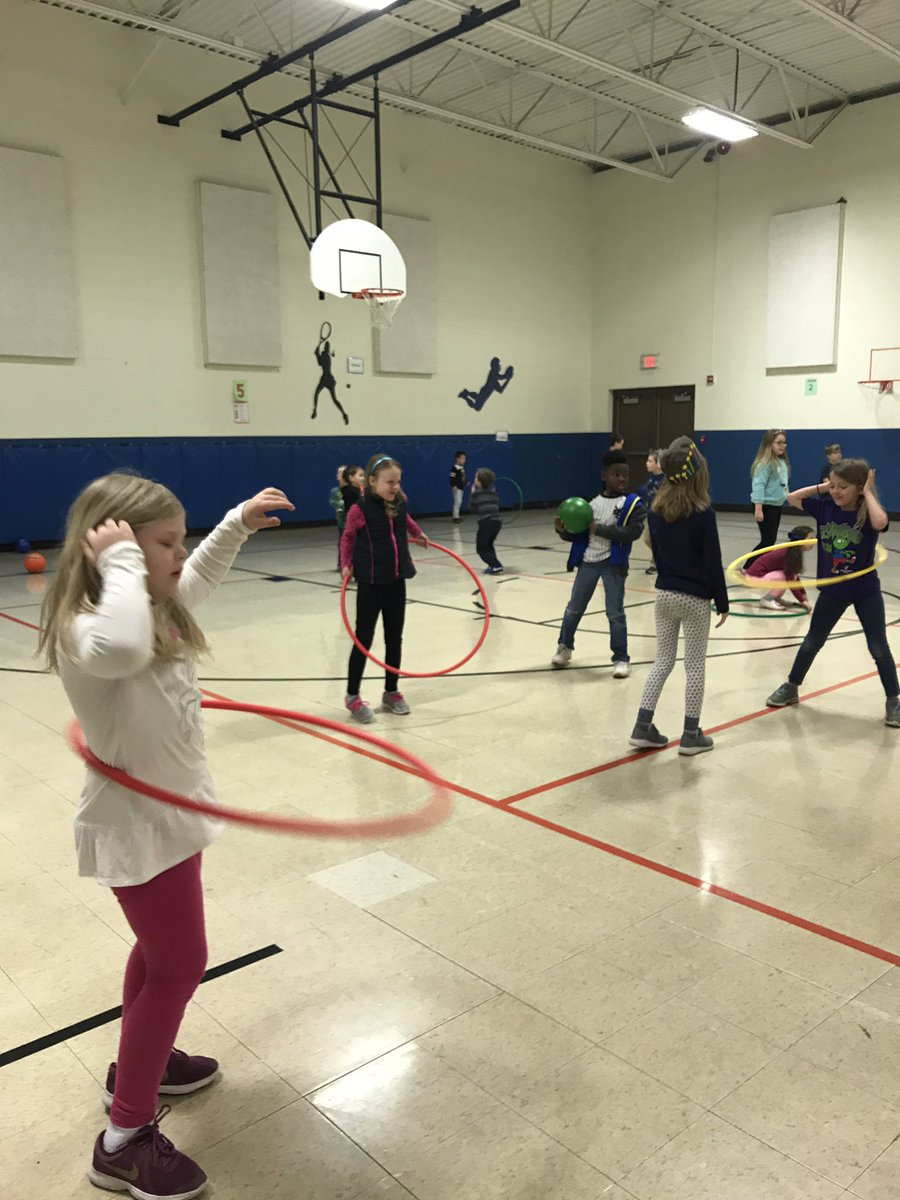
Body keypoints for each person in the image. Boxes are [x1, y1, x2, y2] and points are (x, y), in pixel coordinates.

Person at [38, 472, 294, 1200]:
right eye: (166, 543)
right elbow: (122, 652)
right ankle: (123, 1142)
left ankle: (139, 1065)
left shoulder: (153, 607)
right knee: (181, 965)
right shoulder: (90, 628)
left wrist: (236, 523)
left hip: (171, 818)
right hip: (136, 825)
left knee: (159, 956)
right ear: (111, 552)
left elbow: (198, 576)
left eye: (181, 540)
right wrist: (121, 560)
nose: (181, 554)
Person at [766, 460, 900, 725]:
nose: (836, 491)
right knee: (812, 641)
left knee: (878, 646)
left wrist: (868, 493)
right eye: (833, 486)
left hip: (865, 590)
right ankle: (791, 686)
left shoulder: (866, 513)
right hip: (832, 590)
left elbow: (881, 521)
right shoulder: (825, 507)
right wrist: (824, 487)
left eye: (843, 487)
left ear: (859, 488)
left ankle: (894, 700)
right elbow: (792, 498)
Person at [629, 437, 729, 756]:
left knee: (663, 660)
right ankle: (690, 734)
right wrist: (722, 602)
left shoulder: (656, 512)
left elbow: (657, 555)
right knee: (695, 666)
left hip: (664, 594)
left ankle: (642, 726)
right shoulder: (703, 513)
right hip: (695, 598)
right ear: (698, 475)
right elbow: (712, 561)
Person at [341, 453, 428, 722]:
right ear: (372, 481)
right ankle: (352, 696)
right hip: (371, 582)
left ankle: (391, 691)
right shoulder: (360, 509)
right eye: (389, 482)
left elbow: (406, 520)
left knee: (394, 638)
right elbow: (348, 537)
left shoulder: (399, 502)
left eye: (397, 481)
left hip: (396, 579)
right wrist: (346, 563)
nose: (395, 486)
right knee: (363, 639)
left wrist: (417, 533)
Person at [551, 450, 645, 677]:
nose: (621, 479)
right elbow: (579, 535)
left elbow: (632, 533)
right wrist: (562, 531)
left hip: (613, 564)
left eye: (625, 475)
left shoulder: (632, 504)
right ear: (604, 476)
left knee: (615, 612)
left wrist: (600, 529)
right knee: (574, 608)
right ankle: (565, 647)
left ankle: (621, 658)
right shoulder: (590, 504)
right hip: (588, 562)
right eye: (616, 475)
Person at [744, 525, 814, 611]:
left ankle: (776, 598)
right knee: (785, 577)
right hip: (754, 577)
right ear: (800, 541)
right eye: (810, 539)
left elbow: (795, 576)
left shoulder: (794, 551)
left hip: (759, 576)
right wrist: (802, 601)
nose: (814, 542)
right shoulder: (789, 553)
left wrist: (803, 593)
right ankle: (768, 599)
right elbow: (790, 581)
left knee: (791, 575)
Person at [750, 429, 789, 556]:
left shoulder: (781, 462)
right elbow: (758, 485)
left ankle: (761, 565)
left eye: (784, 443)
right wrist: (758, 508)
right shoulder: (764, 464)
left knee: (770, 541)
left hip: (776, 505)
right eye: (778, 443)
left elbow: (783, 483)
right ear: (769, 444)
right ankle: (749, 566)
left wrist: (788, 496)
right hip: (766, 506)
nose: (782, 446)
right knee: (767, 541)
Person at [470, 467, 503, 574]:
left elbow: (473, 509)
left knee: (481, 548)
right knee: (489, 544)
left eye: (476, 478)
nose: (474, 479)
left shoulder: (477, 494)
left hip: (486, 523)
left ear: (479, 482)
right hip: (497, 522)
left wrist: (472, 494)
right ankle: (493, 565)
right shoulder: (494, 493)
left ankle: (496, 565)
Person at [311, 334, 349, 425]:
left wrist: (317, 354)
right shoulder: (328, 354)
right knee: (334, 399)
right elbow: (321, 361)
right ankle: (344, 414)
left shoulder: (325, 355)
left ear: (325, 347)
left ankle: (315, 410)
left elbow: (320, 363)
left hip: (326, 378)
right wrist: (317, 354)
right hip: (330, 379)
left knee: (317, 393)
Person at [639, 449, 665, 575]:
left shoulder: (664, 480)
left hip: (661, 516)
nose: (646, 463)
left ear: (658, 464)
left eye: (650, 461)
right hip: (650, 514)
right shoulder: (650, 479)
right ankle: (660, 558)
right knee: (648, 539)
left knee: (655, 539)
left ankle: (656, 563)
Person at [329, 465, 346, 571]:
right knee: (343, 542)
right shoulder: (336, 491)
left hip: (353, 521)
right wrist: (340, 504)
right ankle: (341, 563)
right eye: (340, 473)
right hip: (342, 521)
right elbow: (333, 502)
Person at [450, 450, 467, 523]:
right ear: (457, 459)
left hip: (461, 487)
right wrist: (453, 485)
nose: (464, 460)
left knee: (459, 502)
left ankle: (457, 516)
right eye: (462, 458)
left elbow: (462, 477)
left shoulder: (461, 468)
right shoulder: (454, 468)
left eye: (464, 459)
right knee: (457, 502)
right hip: (457, 488)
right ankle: (455, 517)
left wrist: (466, 482)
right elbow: (452, 477)